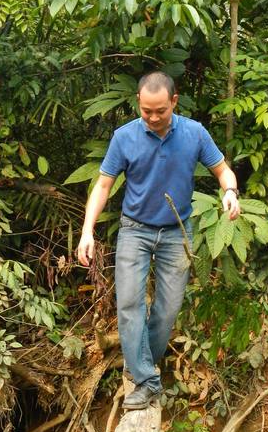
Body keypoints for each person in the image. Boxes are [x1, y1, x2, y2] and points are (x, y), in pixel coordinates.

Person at [77, 71, 240, 409]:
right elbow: (104, 186)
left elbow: (223, 170)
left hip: (176, 232)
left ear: (174, 102)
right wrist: (86, 231)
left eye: (160, 111)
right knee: (130, 305)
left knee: (166, 312)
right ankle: (147, 380)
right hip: (134, 230)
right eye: (146, 111)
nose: (152, 118)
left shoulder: (195, 133)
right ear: (138, 103)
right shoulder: (124, 137)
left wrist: (230, 192)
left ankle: (143, 364)